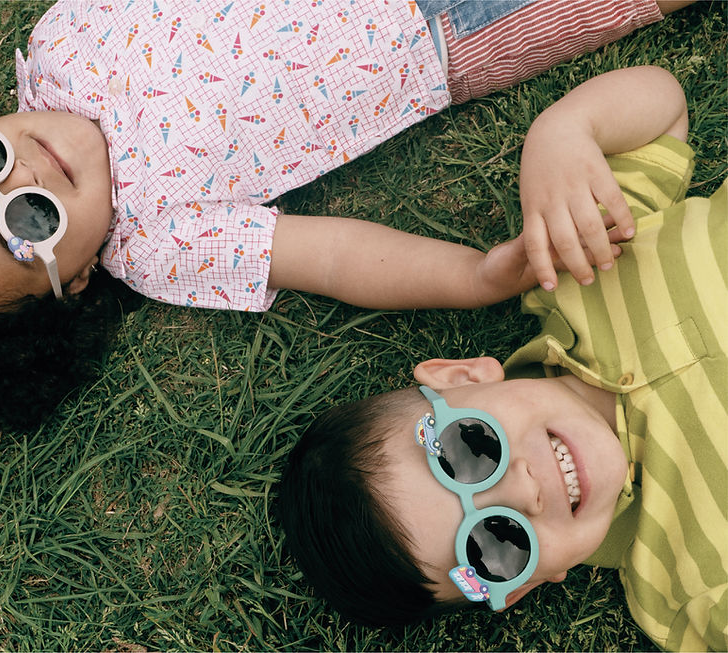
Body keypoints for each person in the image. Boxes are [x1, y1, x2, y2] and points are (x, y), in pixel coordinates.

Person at [0, 0, 693, 434]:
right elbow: (334, 255)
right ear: (68, 287)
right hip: (452, 31)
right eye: (27, 222)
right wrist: (475, 276)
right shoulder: (157, 245)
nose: (23, 172)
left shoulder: (66, 33)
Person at [277, 65, 726, 651]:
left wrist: (565, 130)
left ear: (463, 378)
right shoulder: (688, 583)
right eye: (496, 544)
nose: (523, 492)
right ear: (520, 587)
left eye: (469, 449)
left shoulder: (574, 266)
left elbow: (663, 112)